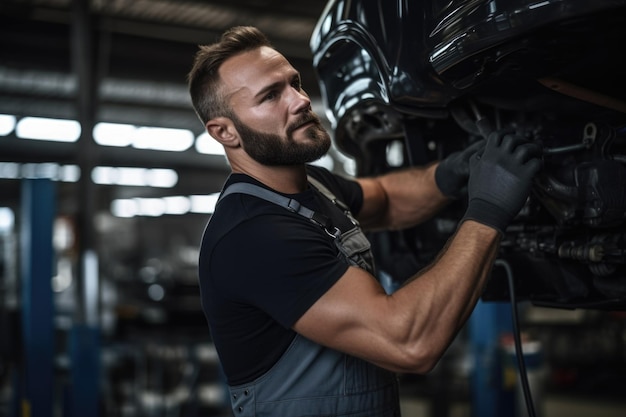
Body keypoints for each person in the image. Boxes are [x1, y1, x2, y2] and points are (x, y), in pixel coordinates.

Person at [187, 26, 542, 417]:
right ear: (225, 132)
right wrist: (488, 211)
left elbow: (387, 200)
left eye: (295, 83)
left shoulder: (315, 184)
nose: (302, 100)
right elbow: (408, 342)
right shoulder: (255, 235)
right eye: (271, 96)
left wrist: (453, 171)